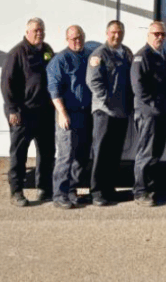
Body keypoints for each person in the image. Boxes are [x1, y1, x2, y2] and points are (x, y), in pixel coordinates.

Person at [0, 17, 56, 207]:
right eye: (35, 30)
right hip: (23, 113)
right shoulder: (16, 53)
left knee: (47, 153)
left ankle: (45, 189)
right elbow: (6, 84)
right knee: (19, 154)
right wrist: (12, 109)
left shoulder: (47, 50)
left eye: (41, 30)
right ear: (27, 32)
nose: (39, 33)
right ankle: (16, 192)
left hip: (45, 112)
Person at [130, 21, 166, 207]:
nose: (159, 37)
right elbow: (138, 87)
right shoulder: (142, 57)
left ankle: (151, 188)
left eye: (162, 34)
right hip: (148, 113)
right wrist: (153, 107)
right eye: (156, 34)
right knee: (146, 152)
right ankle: (140, 191)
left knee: (156, 152)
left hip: (162, 113)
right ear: (148, 35)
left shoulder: (164, 56)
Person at [86, 20, 134, 207]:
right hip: (104, 112)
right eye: (113, 32)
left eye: (120, 32)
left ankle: (109, 189)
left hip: (122, 112)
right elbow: (93, 81)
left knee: (115, 153)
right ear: (107, 33)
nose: (117, 36)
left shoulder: (127, 52)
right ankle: (97, 191)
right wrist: (107, 99)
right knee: (101, 153)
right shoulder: (99, 54)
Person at [47, 25, 93, 209]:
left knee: (81, 156)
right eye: (73, 38)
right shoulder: (60, 60)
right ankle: (59, 194)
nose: (77, 41)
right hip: (68, 114)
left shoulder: (88, 56)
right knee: (66, 156)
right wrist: (62, 113)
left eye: (80, 37)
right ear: (67, 39)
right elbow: (54, 89)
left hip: (85, 114)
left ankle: (74, 190)